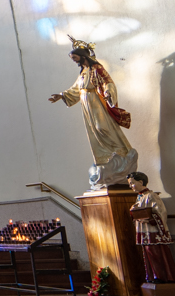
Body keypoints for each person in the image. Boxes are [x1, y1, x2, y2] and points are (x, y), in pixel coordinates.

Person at [49, 36, 137, 187]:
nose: (75, 61)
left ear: (83, 56)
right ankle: (105, 158)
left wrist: (108, 92)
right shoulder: (83, 72)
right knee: (93, 131)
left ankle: (121, 151)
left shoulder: (96, 68)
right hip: (86, 103)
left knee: (102, 127)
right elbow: (77, 88)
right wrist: (62, 95)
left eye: (75, 58)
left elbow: (108, 82)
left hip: (96, 101)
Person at [127, 171, 175, 284]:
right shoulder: (140, 197)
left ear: (141, 182)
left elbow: (161, 212)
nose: (130, 186)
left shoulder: (152, 196)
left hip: (153, 230)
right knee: (148, 254)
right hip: (144, 230)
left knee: (156, 253)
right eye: (130, 184)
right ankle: (153, 275)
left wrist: (150, 219)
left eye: (132, 183)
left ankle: (162, 276)